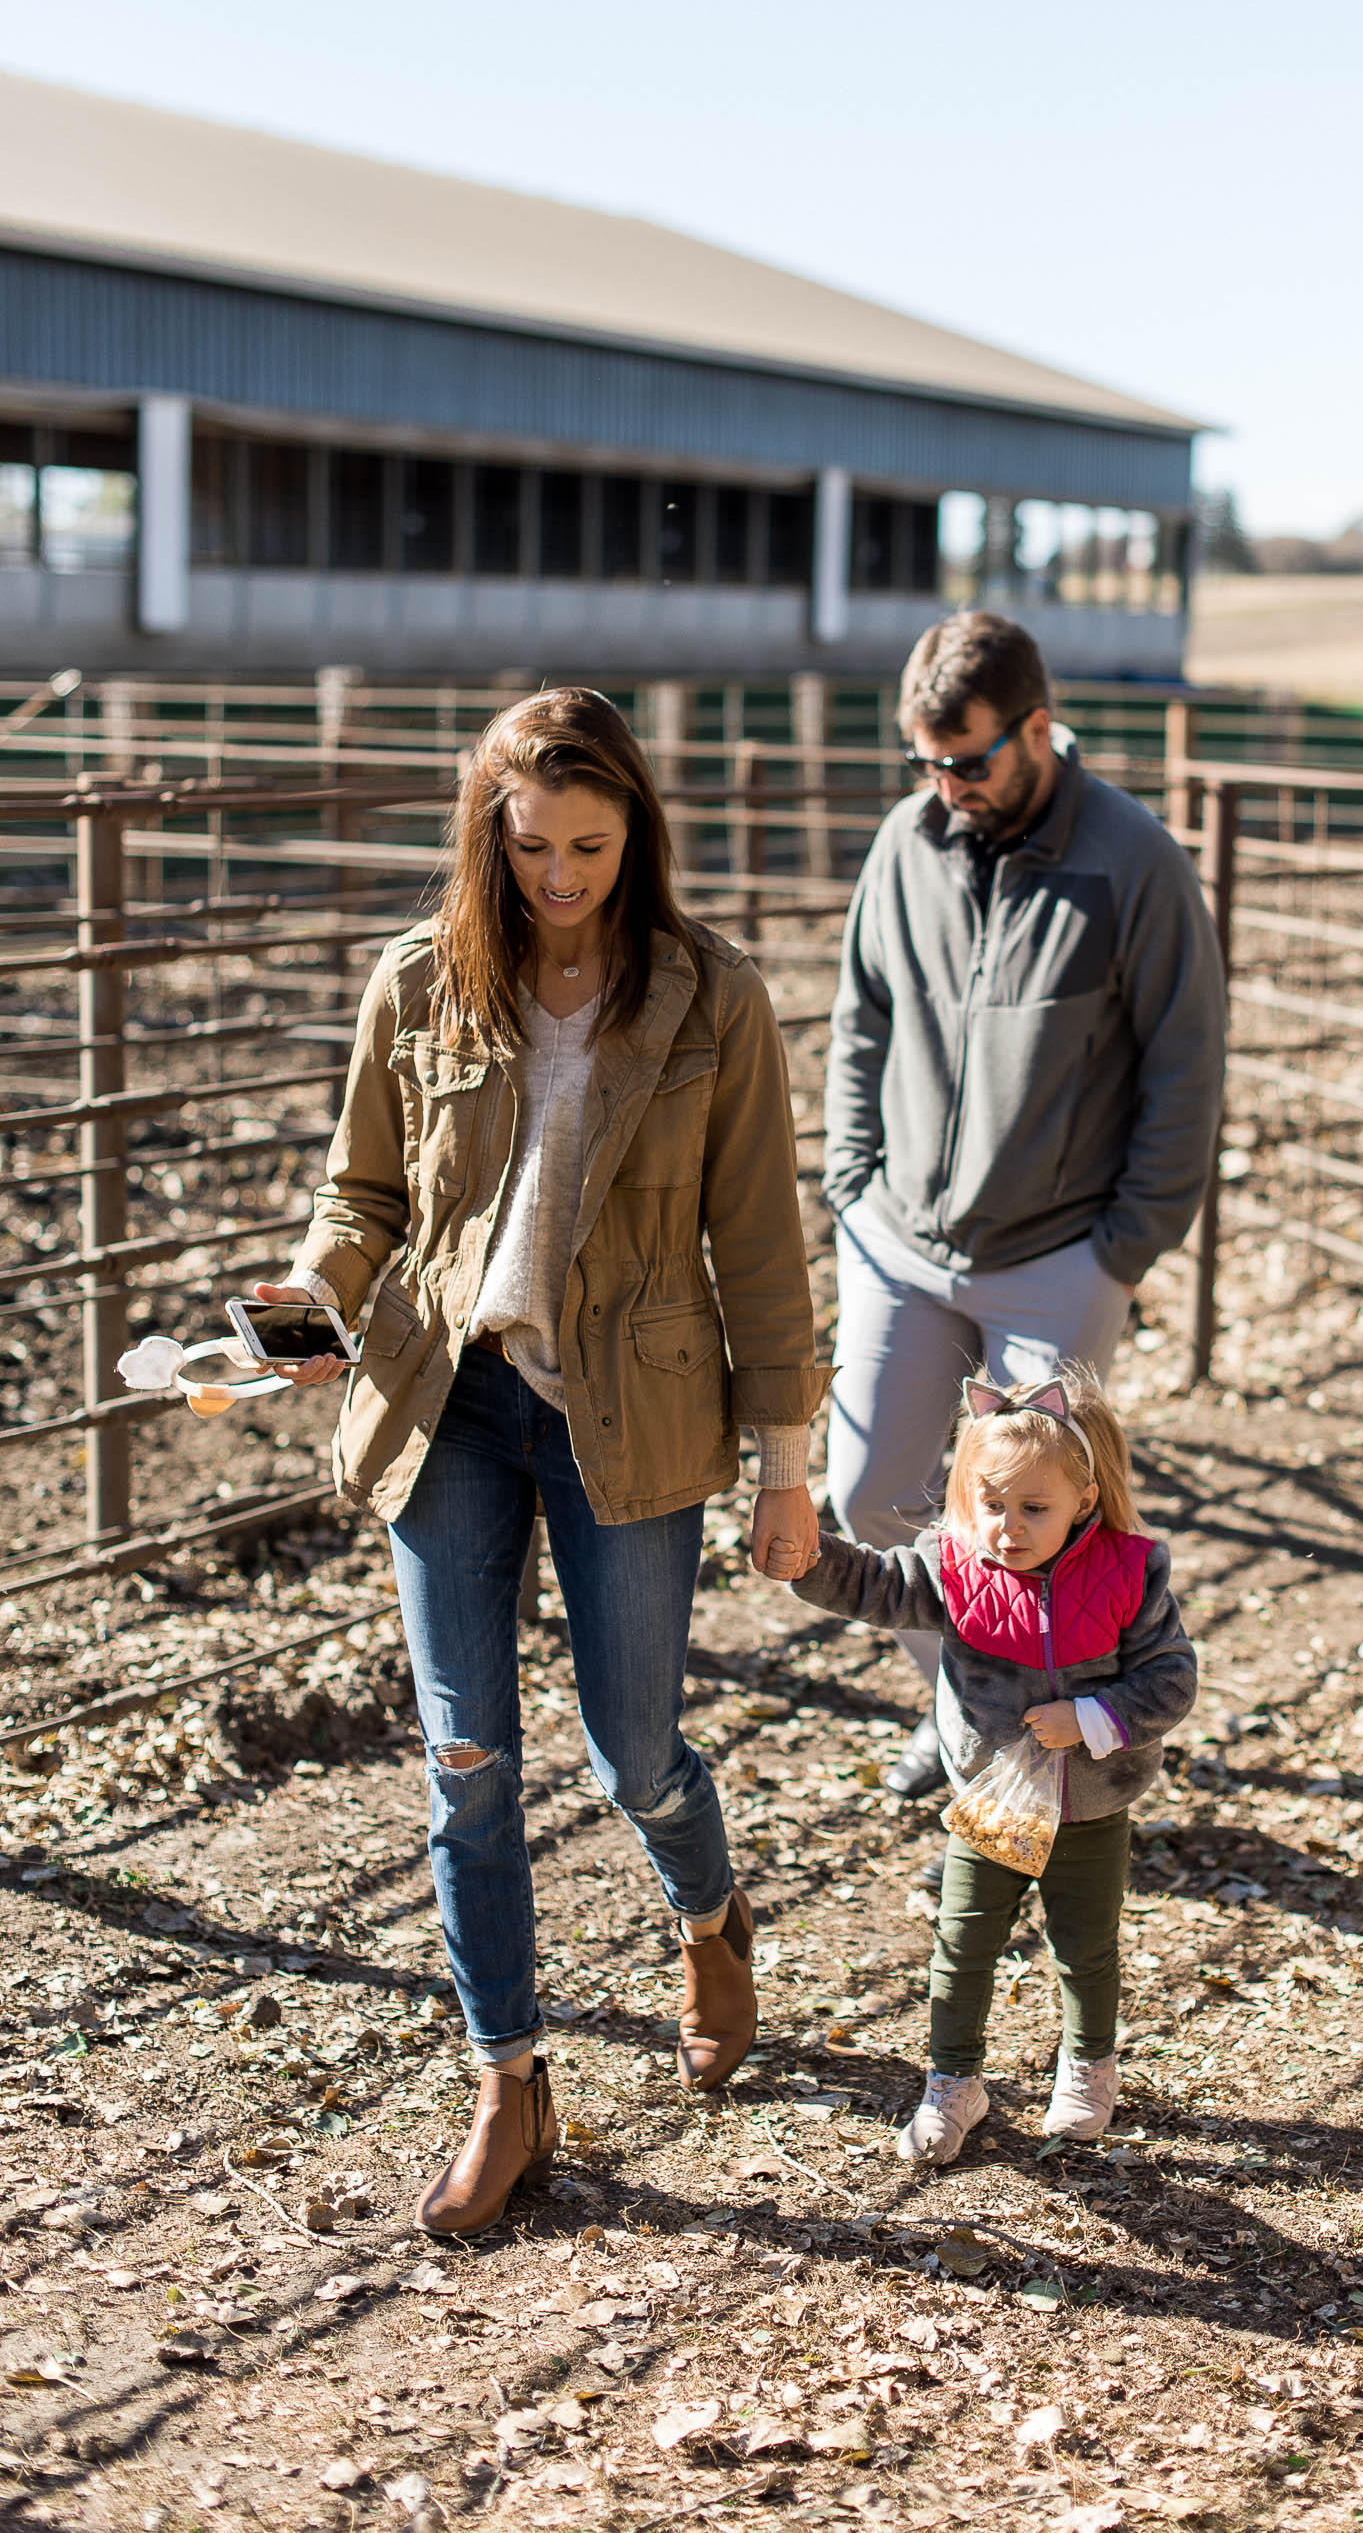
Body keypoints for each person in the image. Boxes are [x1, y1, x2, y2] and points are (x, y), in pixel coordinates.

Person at [258, 687, 828, 2234]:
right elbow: (363, 1195)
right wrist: (304, 1313)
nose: (559, 875)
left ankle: (709, 1910)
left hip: (627, 1417)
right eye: (530, 847)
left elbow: (762, 1249)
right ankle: (510, 2079)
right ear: (488, 836)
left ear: (636, 828)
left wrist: (787, 1466)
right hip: (449, 1397)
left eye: (588, 843)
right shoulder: (422, 981)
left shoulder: (714, 1000)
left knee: (634, 1751)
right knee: (465, 1758)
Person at [822, 611, 1223, 1801]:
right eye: (924, 762)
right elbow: (859, 1021)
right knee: (867, 1495)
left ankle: (1085, 1749)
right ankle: (967, 1702)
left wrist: (1124, 1246)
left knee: (1048, 1521)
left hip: (1059, 1253)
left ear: (1037, 729)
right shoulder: (904, 842)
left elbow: (1183, 1063)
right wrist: (850, 1184)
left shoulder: (1132, 861)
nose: (944, 787)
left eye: (968, 761)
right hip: (897, 1237)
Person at [781, 1363, 1196, 2159]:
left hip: (1090, 1803)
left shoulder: (1129, 1572)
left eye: (1033, 1508)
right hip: (991, 1802)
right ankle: (954, 2081)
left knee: (1084, 1943)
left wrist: (1093, 1718)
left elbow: (1172, 1679)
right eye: (990, 1503)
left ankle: (1088, 2065)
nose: (1007, 1527)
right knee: (964, 1938)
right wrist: (806, 1556)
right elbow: (872, 1583)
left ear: (1085, 1497)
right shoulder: (955, 1565)